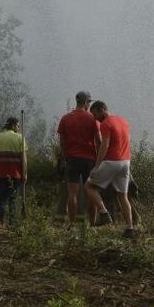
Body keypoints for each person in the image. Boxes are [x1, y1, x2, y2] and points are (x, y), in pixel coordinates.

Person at [83, 101, 137, 238]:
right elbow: (126, 140)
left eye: (95, 114)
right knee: (122, 196)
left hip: (112, 161)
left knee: (89, 186)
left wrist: (96, 166)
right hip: (126, 162)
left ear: (102, 110)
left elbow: (104, 145)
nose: (94, 118)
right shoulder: (123, 121)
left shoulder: (106, 124)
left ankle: (103, 212)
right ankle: (130, 228)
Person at [56, 91, 101, 225]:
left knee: (72, 193)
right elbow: (98, 140)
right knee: (91, 192)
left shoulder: (65, 118)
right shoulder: (93, 119)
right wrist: (99, 159)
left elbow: (62, 141)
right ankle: (92, 224)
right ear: (86, 102)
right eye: (89, 103)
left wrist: (65, 156)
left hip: (72, 159)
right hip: (89, 160)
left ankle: (72, 224)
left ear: (77, 101)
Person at [0, 116, 27, 226]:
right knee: (12, 199)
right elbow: (23, 159)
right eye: (18, 126)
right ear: (13, 126)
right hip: (16, 174)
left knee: (2, 199)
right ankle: (12, 222)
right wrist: (25, 174)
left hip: (1, 174)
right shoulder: (20, 138)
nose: (19, 128)